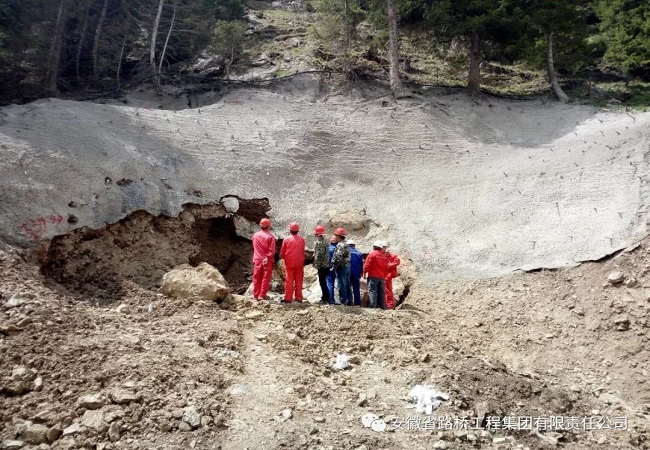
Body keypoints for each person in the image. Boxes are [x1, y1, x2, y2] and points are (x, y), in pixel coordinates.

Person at [280, 222, 306, 303]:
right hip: (299, 262)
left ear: (290, 230)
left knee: (289, 280)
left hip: (289, 262)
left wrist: (284, 258)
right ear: (298, 230)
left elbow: (282, 252)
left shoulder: (286, 239)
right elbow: (302, 251)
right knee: (299, 280)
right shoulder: (302, 239)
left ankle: (288, 298)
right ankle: (299, 298)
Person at [251, 218, 276, 301]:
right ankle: (262, 295)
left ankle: (255, 296)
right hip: (267, 261)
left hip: (257, 260)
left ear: (260, 225)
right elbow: (272, 251)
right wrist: (267, 257)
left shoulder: (255, 235)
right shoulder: (270, 237)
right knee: (265, 278)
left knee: (256, 278)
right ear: (269, 226)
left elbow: (254, 247)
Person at [363, 241, 389, 309]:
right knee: (381, 293)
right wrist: (384, 276)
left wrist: (364, 273)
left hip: (373, 276)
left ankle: (372, 307)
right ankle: (382, 307)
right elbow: (386, 268)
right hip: (382, 277)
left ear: (374, 247)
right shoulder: (384, 256)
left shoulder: (372, 254)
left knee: (372, 291)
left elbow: (367, 265)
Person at [331, 228, 352, 305]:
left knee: (341, 284)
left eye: (335, 235)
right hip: (347, 266)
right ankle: (349, 300)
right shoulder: (346, 244)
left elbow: (338, 257)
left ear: (338, 236)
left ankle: (342, 300)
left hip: (341, 266)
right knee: (347, 283)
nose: (335, 237)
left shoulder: (340, 245)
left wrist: (334, 265)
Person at [312, 225, 330, 304]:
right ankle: (325, 297)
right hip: (325, 265)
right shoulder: (325, 241)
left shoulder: (320, 243)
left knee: (322, 282)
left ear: (318, 234)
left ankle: (325, 298)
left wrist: (317, 265)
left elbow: (320, 255)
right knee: (323, 282)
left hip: (322, 266)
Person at [383, 243, 401, 309]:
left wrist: (388, 265)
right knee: (384, 290)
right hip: (382, 274)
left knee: (387, 290)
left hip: (387, 275)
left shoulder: (392, 255)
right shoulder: (380, 254)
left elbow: (397, 261)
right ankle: (384, 304)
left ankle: (389, 305)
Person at [348, 240, 363, 306]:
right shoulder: (359, 253)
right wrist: (361, 273)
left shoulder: (346, 252)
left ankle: (349, 301)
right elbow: (361, 264)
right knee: (356, 288)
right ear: (354, 245)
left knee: (348, 287)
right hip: (356, 273)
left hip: (348, 273)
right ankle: (357, 303)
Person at [326, 235, 337, 304]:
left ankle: (331, 300)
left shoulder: (327, 248)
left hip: (329, 268)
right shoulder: (338, 248)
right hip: (337, 268)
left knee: (330, 284)